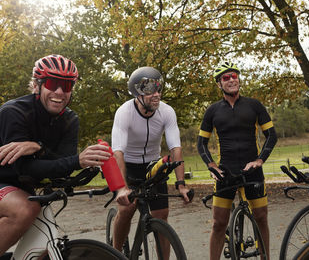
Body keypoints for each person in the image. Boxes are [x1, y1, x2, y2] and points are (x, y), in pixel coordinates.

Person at [0, 54, 111, 255]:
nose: (59, 92)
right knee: (25, 210)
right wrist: (74, 161)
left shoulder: (70, 120)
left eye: (67, 86)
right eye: (53, 83)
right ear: (37, 85)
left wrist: (39, 147)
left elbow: (63, 167)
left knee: (41, 236)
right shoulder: (13, 112)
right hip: (6, 179)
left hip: (23, 185)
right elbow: (25, 168)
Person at [197, 61, 277, 260]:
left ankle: (265, 257)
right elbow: (201, 143)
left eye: (234, 76)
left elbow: (272, 135)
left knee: (261, 217)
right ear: (219, 84)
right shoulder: (213, 111)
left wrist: (259, 160)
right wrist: (212, 165)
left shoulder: (254, 105)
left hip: (252, 171)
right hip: (225, 172)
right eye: (226, 77)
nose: (231, 80)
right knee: (218, 223)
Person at [110, 66, 191, 256]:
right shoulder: (124, 112)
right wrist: (122, 188)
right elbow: (118, 152)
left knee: (161, 216)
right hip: (127, 165)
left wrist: (181, 185)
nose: (156, 94)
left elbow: (175, 148)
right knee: (127, 208)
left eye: (159, 89)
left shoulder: (167, 112)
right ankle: (115, 252)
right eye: (149, 90)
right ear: (137, 94)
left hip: (153, 166)